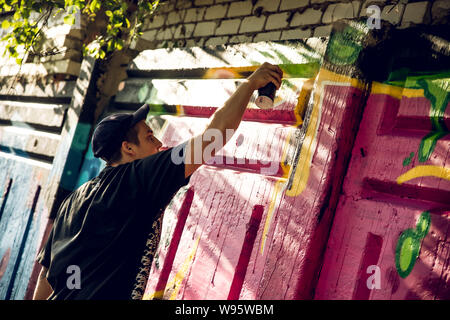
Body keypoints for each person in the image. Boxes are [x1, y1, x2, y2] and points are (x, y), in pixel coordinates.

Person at [32, 62, 283, 300]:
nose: (159, 143)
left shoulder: (73, 201)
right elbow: (212, 138)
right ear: (128, 147)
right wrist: (250, 84)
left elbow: (46, 275)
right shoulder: (138, 177)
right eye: (150, 136)